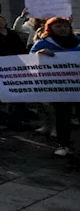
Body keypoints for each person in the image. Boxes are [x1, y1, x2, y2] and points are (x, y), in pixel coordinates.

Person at [29, 17, 79, 157]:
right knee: (62, 116)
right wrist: (39, 54)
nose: (62, 29)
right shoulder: (43, 43)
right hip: (58, 86)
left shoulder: (77, 41)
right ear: (50, 28)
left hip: (77, 83)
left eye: (65, 26)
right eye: (58, 26)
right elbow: (29, 60)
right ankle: (64, 145)